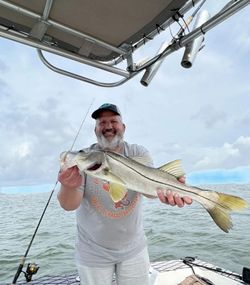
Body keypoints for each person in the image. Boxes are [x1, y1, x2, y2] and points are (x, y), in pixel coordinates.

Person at [57, 103, 192, 285]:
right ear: (95, 129)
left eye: (114, 121)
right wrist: (68, 186)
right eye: (102, 122)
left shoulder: (138, 152)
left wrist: (169, 193)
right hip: (92, 251)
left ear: (123, 127)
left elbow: (151, 192)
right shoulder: (84, 159)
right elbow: (69, 205)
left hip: (134, 248)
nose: (108, 126)